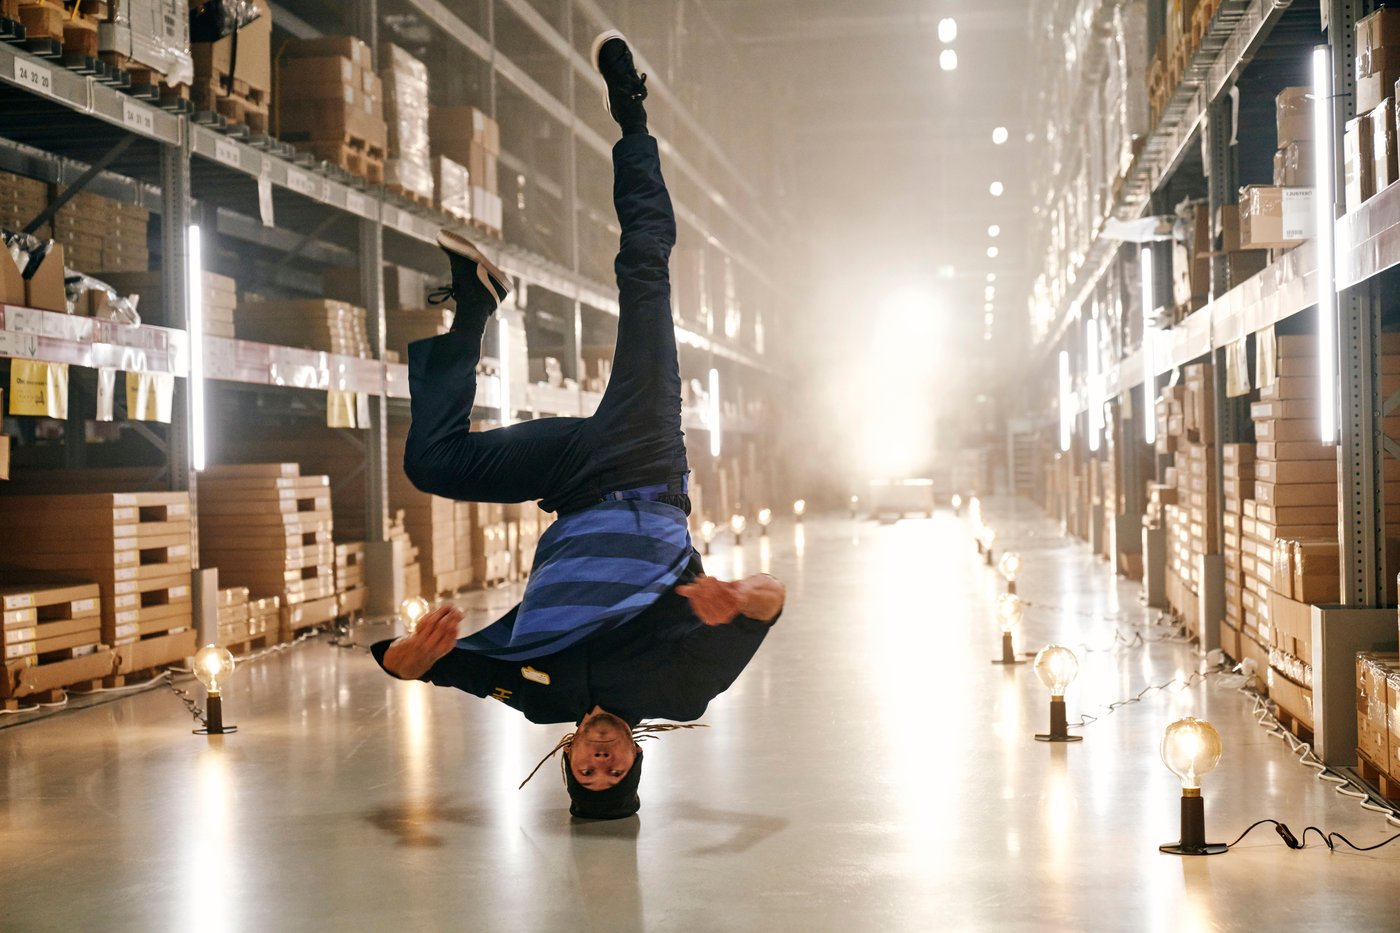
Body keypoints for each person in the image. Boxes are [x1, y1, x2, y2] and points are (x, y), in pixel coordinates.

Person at [372, 31, 787, 821]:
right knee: (645, 282)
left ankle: (476, 307)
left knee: (434, 463)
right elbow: (773, 602)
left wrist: (404, 659)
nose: (599, 760)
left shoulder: (531, 694)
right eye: (613, 771)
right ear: (635, 759)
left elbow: (424, 666)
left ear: (564, 756)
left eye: (585, 774)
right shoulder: (683, 685)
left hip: (568, 480)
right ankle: (631, 121)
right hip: (643, 465)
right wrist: (742, 593)